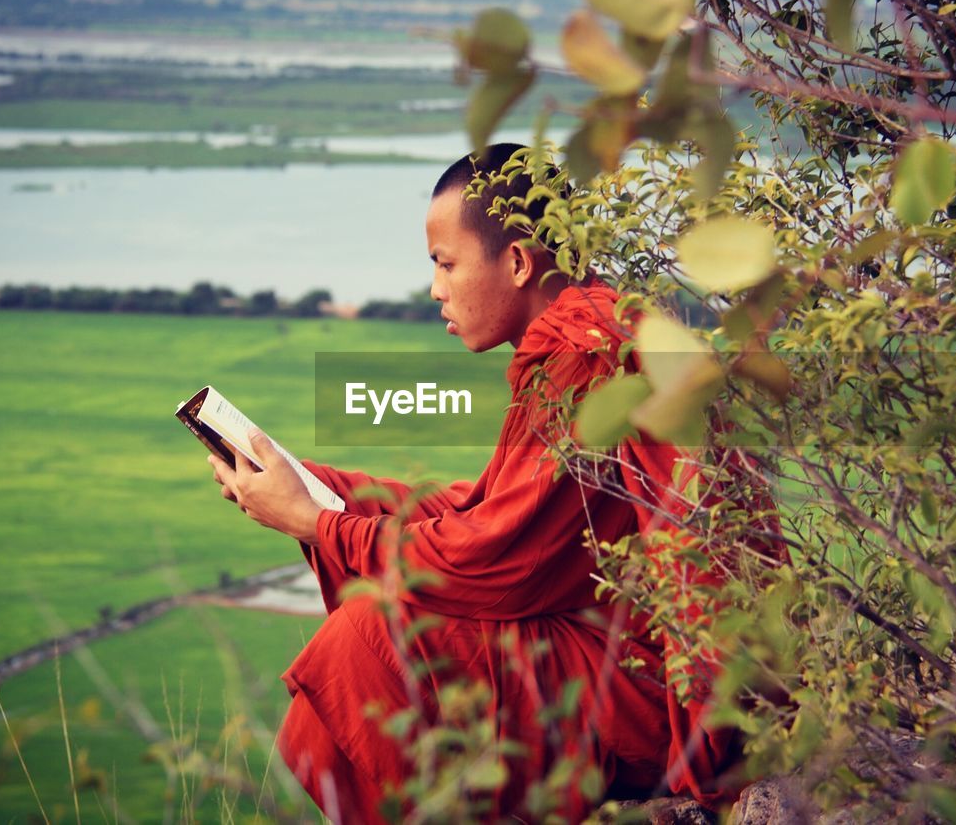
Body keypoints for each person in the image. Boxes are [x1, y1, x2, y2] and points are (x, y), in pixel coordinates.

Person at [207, 143, 784, 822]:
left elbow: (498, 555)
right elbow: (490, 507)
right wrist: (318, 485)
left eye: (446, 264)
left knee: (370, 638)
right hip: (639, 657)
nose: (435, 290)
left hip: (670, 693)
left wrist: (317, 523)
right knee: (373, 641)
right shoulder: (599, 326)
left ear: (516, 260)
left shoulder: (581, 349)